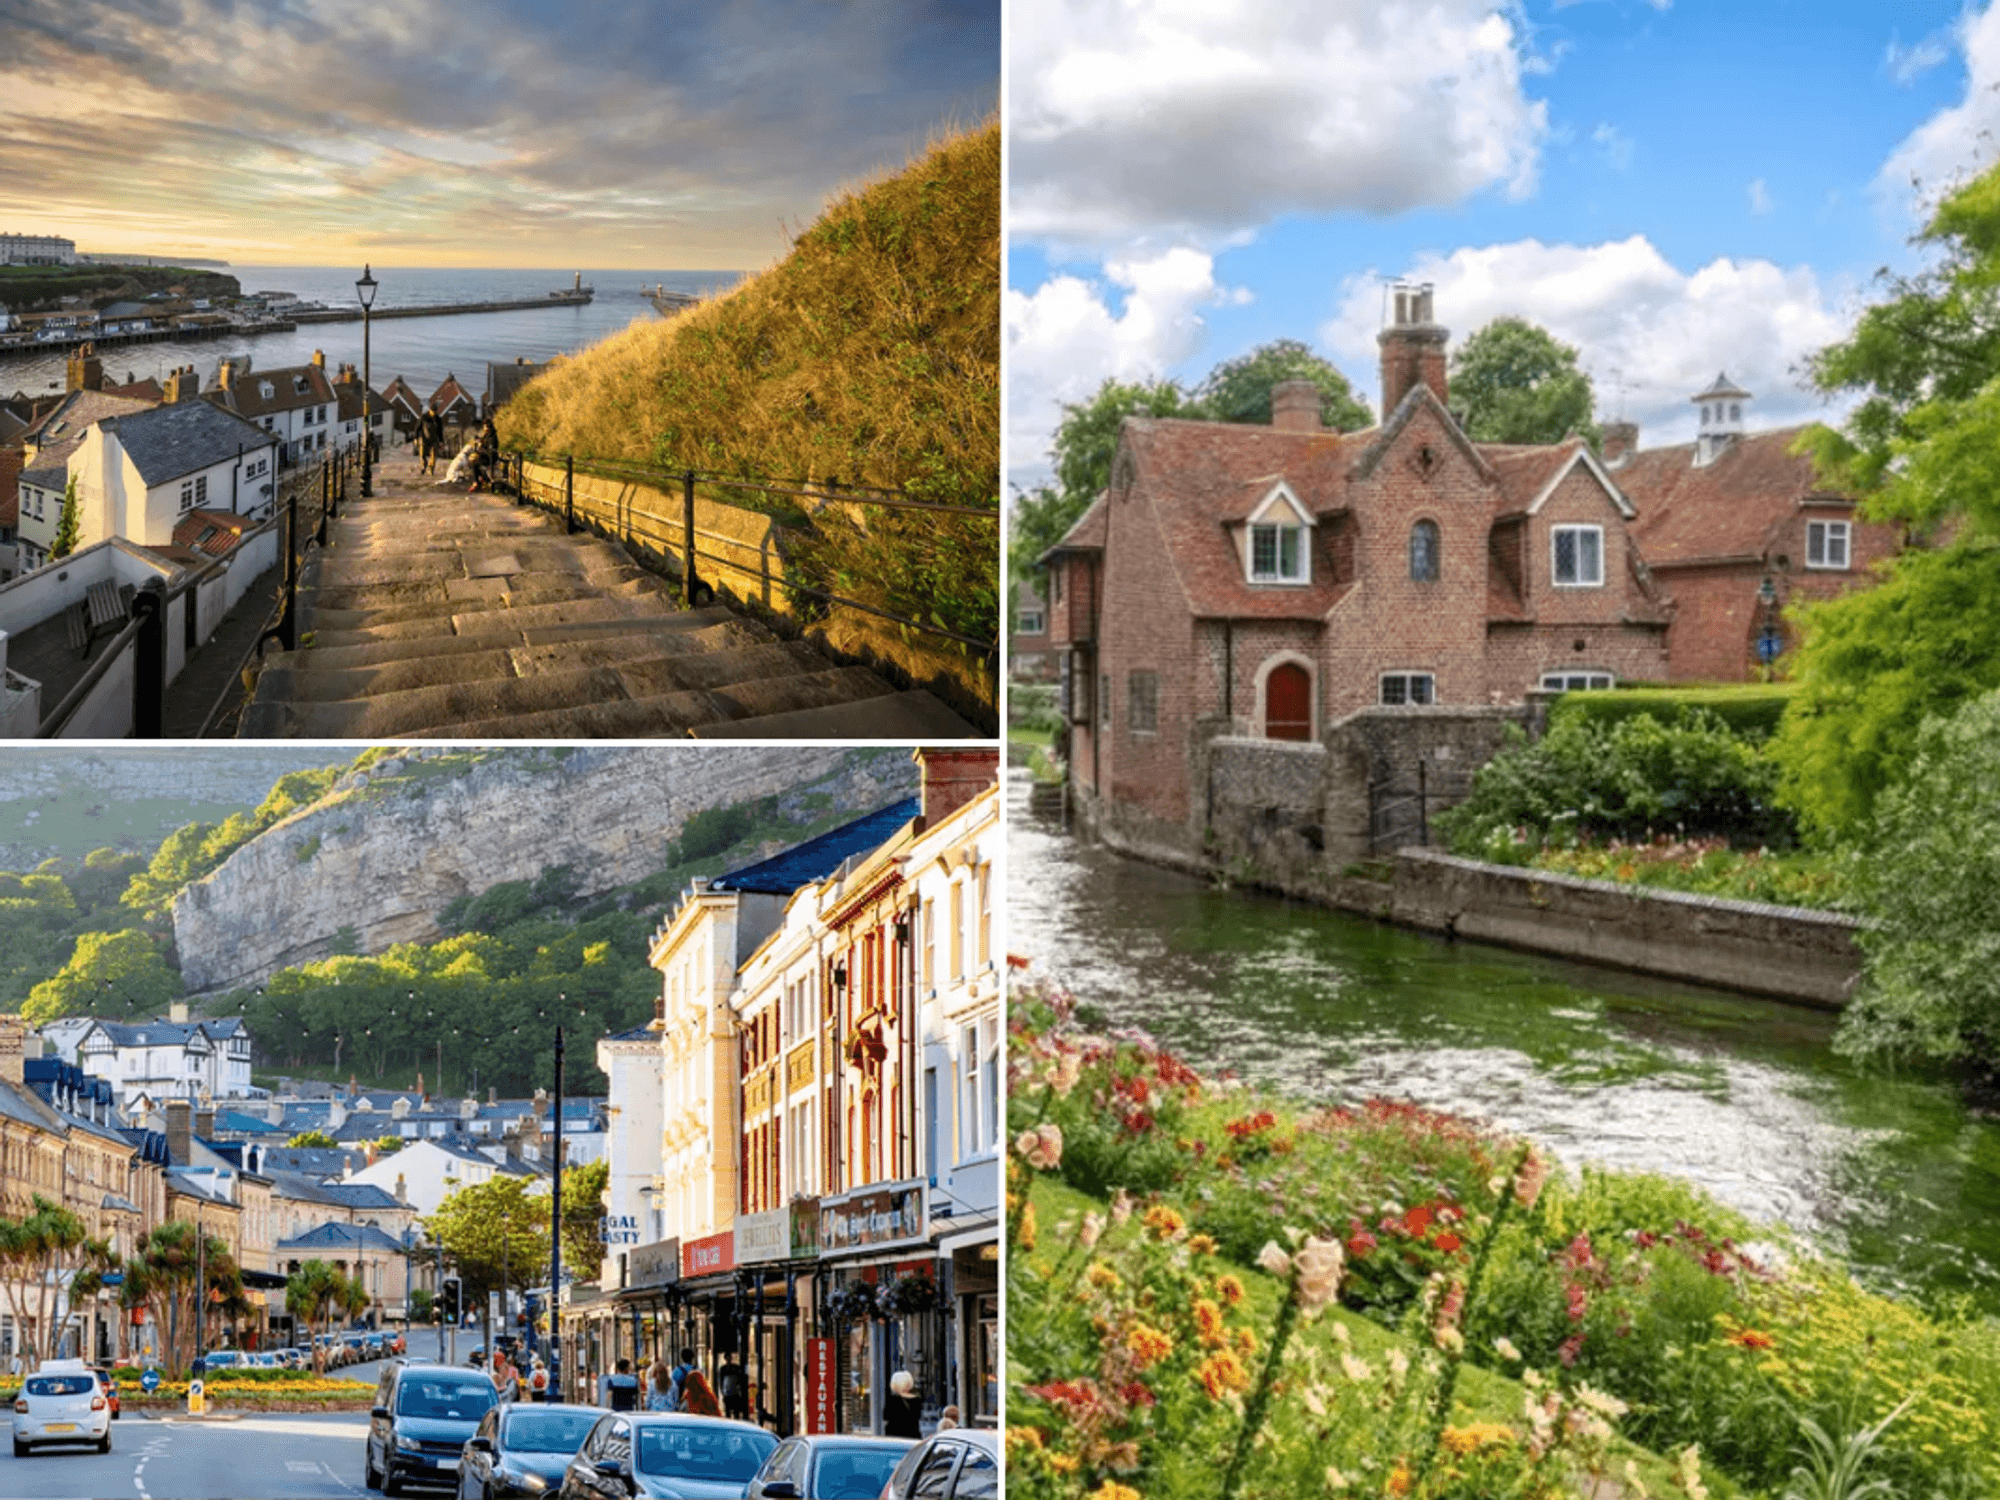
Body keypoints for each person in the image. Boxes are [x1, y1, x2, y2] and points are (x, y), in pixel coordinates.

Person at [882, 1369, 922, 1439]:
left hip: (894, 1434)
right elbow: (918, 1417)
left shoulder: (892, 1399)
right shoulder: (917, 1400)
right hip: (912, 1434)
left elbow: (885, 1416)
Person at [716, 1354, 749, 1422]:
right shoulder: (724, 1368)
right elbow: (721, 1381)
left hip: (734, 1392)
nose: (728, 1359)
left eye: (729, 1357)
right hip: (728, 1391)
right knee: (728, 1410)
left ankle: (734, 1421)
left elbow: (740, 1380)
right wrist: (722, 1391)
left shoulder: (735, 1367)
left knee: (735, 1410)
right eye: (727, 1358)